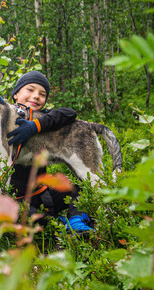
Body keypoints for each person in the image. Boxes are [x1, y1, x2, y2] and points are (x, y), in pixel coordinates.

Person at [6, 70, 94, 234]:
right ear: (16, 94)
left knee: (81, 190)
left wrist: (34, 126)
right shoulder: (4, 119)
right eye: (30, 90)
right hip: (15, 200)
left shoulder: (44, 119)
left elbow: (69, 113)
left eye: (42, 94)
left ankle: (74, 221)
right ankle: (55, 223)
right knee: (32, 218)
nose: (36, 96)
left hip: (43, 195)